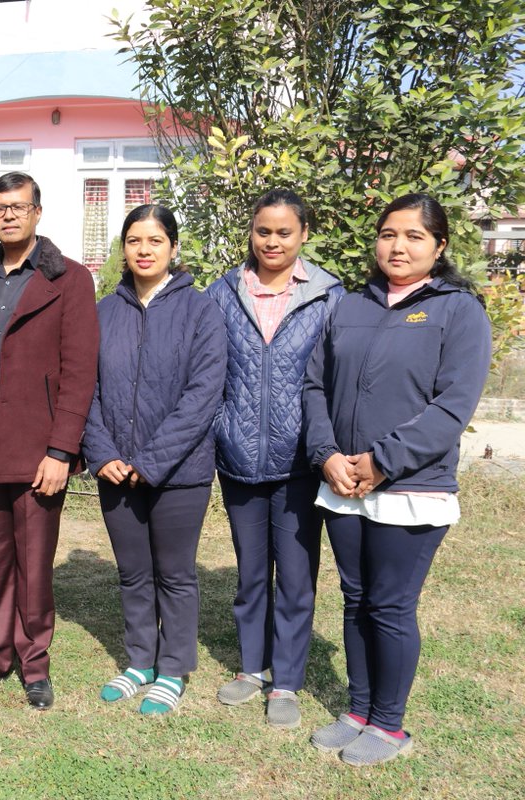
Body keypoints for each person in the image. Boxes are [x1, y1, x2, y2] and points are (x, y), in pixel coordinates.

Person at [303, 193, 491, 765]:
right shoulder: (349, 304)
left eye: (413, 235)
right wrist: (327, 453)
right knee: (355, 599)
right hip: (342, 482)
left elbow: (452, 406)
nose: (398, 246)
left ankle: (389, 725)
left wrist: (381, 461)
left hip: (411, 487)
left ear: (439, 246)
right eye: (389, 234)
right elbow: (314, 385)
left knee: (389, 604)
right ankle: (359, 709)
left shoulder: (458, 311)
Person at [0, 172, 98, 710]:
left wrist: (62, 451)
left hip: (38, 442)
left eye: (18, 206)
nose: (8, 215)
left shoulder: (70, 280)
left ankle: (34, 663)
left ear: (37, 212)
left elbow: (80, 371)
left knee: (33, 559)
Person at [206, 189, 344, 729]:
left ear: (303, 234)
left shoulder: (330, 296)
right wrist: (219, 429)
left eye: (284, 232)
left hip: (301, 463)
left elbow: (334, 379)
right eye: (264, 231)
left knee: (296, 577)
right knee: (250, 572)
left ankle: (286, 678)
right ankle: (250, 668)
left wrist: (326, 444)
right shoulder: (223, 293)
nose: (272, 241)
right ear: (252, 233)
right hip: (237, 453)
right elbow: (210, 369)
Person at [82, 204, 226, 716]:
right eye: (135, 241)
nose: (144, 250)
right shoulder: (102, 312)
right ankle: (140, 659)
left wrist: (152, 460)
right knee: (133, 572)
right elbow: (85, 391)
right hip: (115, 471)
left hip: (180, 472)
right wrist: (101, 453)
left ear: (173, 248)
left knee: (175, 573)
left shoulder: (201, 310)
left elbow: (203, 394)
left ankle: (173, 669)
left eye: (155, 241)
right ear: (123, 248)